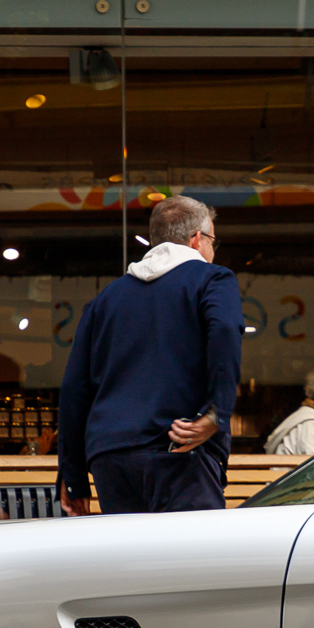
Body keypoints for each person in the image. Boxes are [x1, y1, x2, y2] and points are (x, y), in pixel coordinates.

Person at [56, 195, 244, 515]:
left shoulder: (105, 299)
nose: (213, 251)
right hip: (179, 448)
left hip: (110, 459)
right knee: (192, 563)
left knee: (131, 565)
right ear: (197, 240)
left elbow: (75, 386)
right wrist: (217, 414)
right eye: (213, 240)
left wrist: (73, 476)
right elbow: (225, 332)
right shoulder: (213, 280)